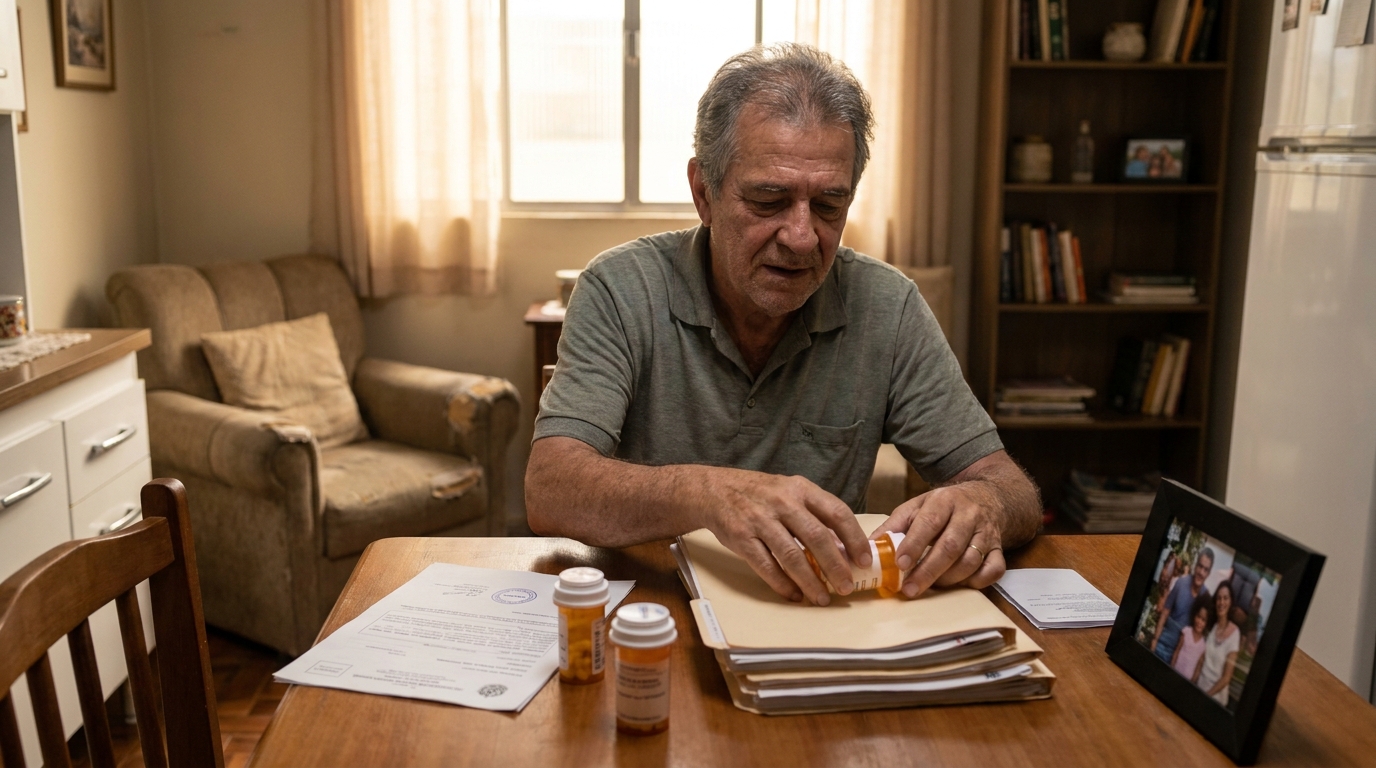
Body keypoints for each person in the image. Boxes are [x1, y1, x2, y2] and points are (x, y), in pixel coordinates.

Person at [525, 43, 1042, 607]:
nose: (801, 237)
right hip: (650, 609)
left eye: (828, 205)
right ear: (704, 193)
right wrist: (709, 493)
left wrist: (984, 506)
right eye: (769, 199)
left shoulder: (887, 305)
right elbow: (551, 488)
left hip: (816, 614)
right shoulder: (620, 287)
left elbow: (1009, 485)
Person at [1150, 547, 1213, 663]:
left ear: (1208, 573)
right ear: (1195, 566)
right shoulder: (1181, 583)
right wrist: (1155, 641)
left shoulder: (1206, 598)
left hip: (1181, 657)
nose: (1201, 572)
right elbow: (1164, 613)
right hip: (1162, 645)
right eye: (1200, 566)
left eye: (1205, 569)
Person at [1197, 581, 1241, 707]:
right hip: (1199, 689)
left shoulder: (1235, 634)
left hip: (1215, 700)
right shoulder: (1214, 627)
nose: (1221, 602)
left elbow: (1226, 678)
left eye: (1225, 598)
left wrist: (1207, 696)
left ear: (1231, 601)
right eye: (1219, 598)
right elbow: (1203, 660)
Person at [1170, 600, 1212, 683]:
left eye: (1203, 620)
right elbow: (1177, 651)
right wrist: (1171, 668)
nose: (1199, 622)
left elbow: (1198, 667)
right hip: (1175, 673)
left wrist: (1192, 682)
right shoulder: (1186, 632)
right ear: (1194, 616)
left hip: (1187, 682)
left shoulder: (1203, 645)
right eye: (1198, 617)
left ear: (1206, 624)